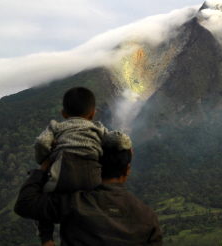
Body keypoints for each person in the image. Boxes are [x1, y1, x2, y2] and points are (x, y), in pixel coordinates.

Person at [32, 87, 132, 243]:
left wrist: (42, 159)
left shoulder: (56, 127)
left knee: (40, 200)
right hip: (92, 177)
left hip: (63, 173)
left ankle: (46, 238)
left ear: (63, 114)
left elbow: (41, 142)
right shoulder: (97, 128)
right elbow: (120, 140)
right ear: (92, 114)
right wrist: (127, 147)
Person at [14, 145, 163, 246]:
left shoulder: (75, 203)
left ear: (97, 166)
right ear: (127, 169)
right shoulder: (148, 216)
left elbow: (25, 204)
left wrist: (45, 164)